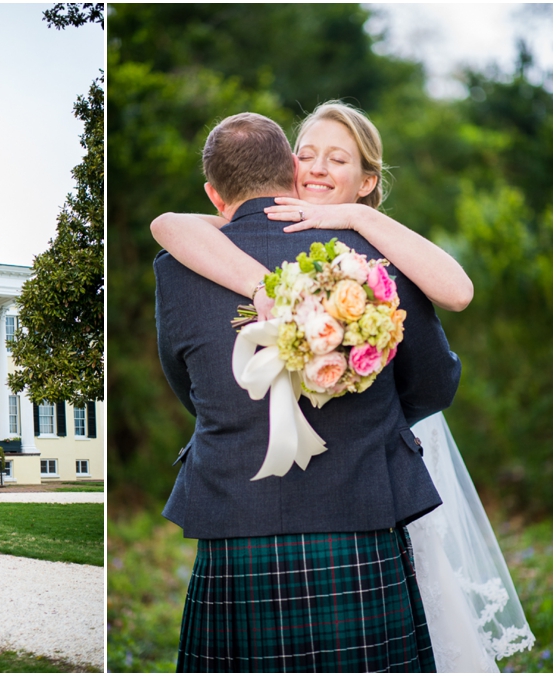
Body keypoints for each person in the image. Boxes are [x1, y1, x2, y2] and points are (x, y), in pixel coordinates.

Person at [151, 101, 534, 670]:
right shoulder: (376, 263)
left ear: (367, 181)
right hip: (361, 508)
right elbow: (434, 383)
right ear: (289, 166)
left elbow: (188, 387)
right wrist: (371, 414)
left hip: (236, 514)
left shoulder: (181, 264)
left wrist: (360, 220)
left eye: (338, 159)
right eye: (307, 154)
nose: (318, 168)